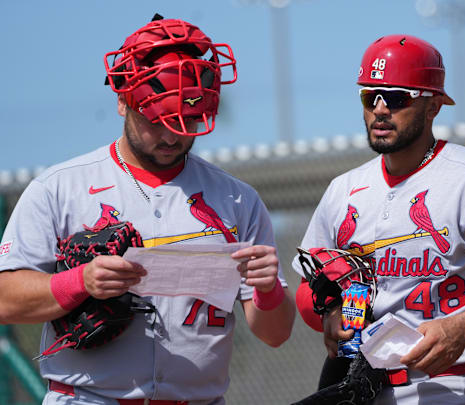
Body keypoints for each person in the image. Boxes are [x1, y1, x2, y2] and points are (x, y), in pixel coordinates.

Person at [0, 15, 295, 404]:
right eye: (157, 118)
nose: (172, 134)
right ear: (122, 100)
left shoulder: (236, 199)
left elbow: (275, 334)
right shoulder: (60, 188)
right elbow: (5, 300)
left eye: (187, 119)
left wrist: (268, 289)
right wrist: (80, 282)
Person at [293, 34, 465, 404]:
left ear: (433, 106)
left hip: (455, 387)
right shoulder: (342, 190)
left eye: (397, 98)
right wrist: (330, 312)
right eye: (370, 97)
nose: (380, 109)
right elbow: (308, 285)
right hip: (361, 390)